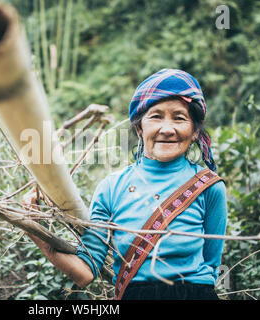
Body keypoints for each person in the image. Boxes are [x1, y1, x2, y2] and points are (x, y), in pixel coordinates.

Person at [25, 68, 228, 300]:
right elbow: (84, 273)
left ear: (194, 132)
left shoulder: (210, 187)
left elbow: (211, 267)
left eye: (179, 118)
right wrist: (35, 229)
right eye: (156, 116)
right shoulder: (111, 188)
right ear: (140, 128)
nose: (167, 129)